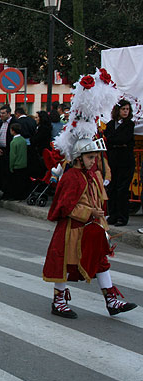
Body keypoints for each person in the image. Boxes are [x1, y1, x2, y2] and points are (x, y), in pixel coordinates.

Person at [43, 137, 137, 318]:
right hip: (72, 229)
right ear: (79, 157)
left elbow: (98, 200)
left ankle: (111, 300)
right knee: (64, 264)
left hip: (91, 228)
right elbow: (65, 206)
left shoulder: (91, 175)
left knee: (101, 261)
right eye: (91, 158)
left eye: (95, 157)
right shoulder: (71, 177)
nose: (94, 161)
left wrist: (101, 221)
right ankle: (59, 301)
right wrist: (90, 212)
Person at [104, 99, 135, 227]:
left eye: (127, 109)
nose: (125, 112)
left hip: (125, 160)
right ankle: (113, 215)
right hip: (114, 159)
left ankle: (122, 217)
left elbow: (125, 138)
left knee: (122, 189)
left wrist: (116, 141)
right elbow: (108, 138)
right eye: (123, 109)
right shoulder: (111, 124)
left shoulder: (129, 124)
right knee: (112, 188)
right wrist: (116, 141)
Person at [0, 104, 18, 200]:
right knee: (2, 173)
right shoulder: (0, 123)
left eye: (3, 113)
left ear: (9, 113)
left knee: (9, 173)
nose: (2, 115)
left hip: (10, 150)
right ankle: (3, 191)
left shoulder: (14, 122)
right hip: (1, 151)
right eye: (0, 113)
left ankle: (9, 193)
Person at [7, 123, 28, 200]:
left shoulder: (13, 142)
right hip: (23, 164)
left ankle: (16, 196)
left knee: (15, 183)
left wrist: (11, 166)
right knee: (22, 182)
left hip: (16, 165)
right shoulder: (23, 140)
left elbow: (13, 156)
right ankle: (22, 196)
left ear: (12, 131)